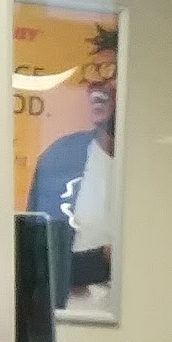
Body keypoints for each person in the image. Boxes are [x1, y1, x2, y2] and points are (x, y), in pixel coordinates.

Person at [26, 26, 118, 307]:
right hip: (66, 320)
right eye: (93, 73)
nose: (96, 86)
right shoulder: (60, 159)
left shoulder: (162, 175)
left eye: (110, 72)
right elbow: (37, 262)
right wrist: (102, 260)